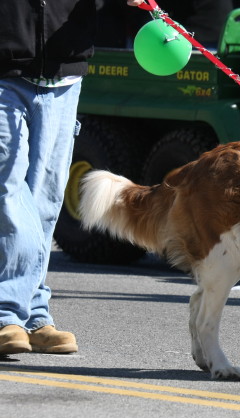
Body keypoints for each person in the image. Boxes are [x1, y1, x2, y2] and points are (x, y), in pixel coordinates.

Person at [0, 0, 145, 356]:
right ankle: (7, 314)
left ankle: (33, 314)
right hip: (4, 70)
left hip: (63, 74)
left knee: (45, 201)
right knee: (8, 191)